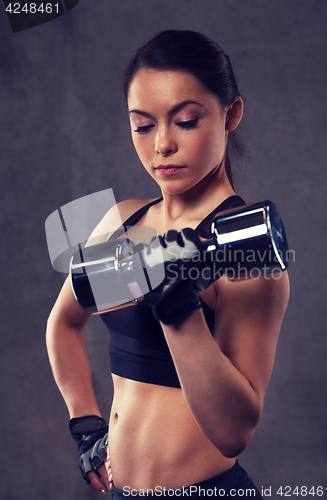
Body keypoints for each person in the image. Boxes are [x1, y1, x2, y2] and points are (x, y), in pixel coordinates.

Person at [46, 30, 289, 498]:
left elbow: (234, 432)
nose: (162, 145)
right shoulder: (121, 220)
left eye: (186, 121)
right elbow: (63, 322)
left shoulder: (246, 252)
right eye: (142, 125)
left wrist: (179, 309)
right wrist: (87, 425)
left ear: (230, 114)